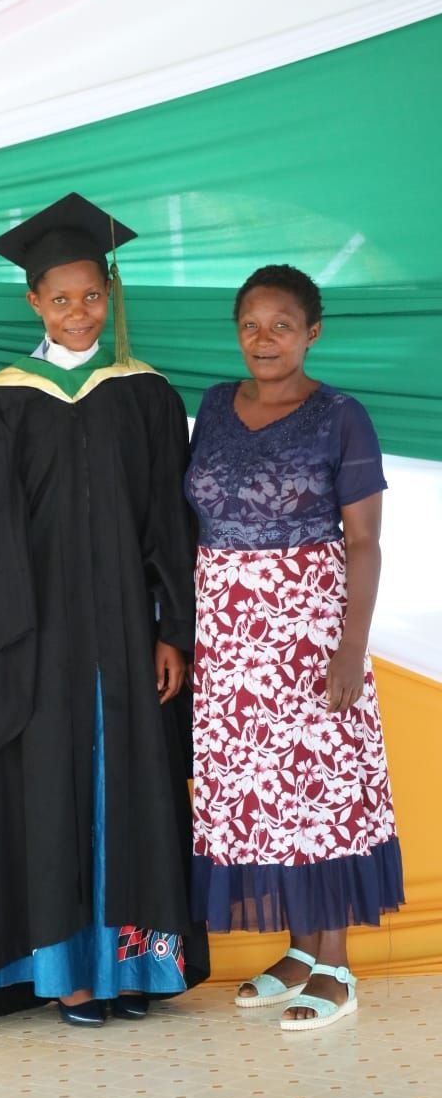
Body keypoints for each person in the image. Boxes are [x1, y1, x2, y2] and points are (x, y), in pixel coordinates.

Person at [0, 193, 210, 1025]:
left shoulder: (145, 395)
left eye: (92, 296)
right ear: (32, 301)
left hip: (122, 629)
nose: (79, 313)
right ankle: (69, 974)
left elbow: (168, 524)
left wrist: (172, 632)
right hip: (29, 637)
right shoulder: (0, 402)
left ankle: (134, 968)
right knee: (45, 789)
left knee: (130, 782)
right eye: (61, 298)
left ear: (110, 295)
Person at [184, 264, 404, 1031]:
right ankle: (300, 952)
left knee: (321, 792)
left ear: (313, 332)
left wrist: (351, 649)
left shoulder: (341, 415)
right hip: (228, 638)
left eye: (282, 325)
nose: (264, 339)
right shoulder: (214, 406)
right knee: (260, 796)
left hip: (308, 636)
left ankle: (337, 965)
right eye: (251, 325)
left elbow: (365, 541)